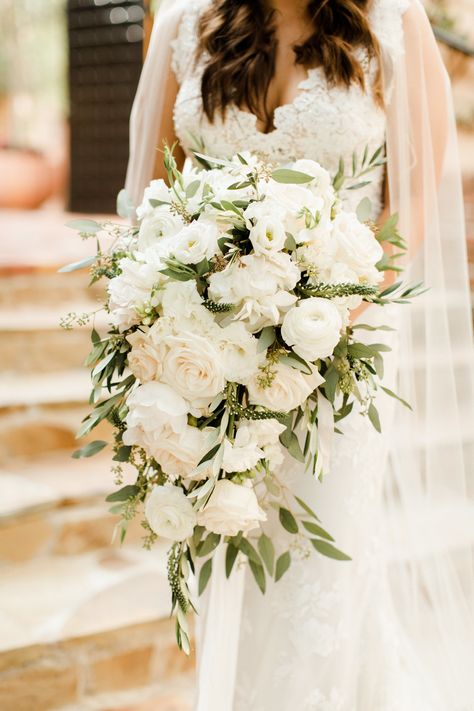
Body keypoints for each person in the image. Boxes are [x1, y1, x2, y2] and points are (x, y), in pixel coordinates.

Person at [126, 1, 474, 709]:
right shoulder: (185, 25)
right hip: (208, 351)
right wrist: (175, 319)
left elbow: (408, 217)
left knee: (322, 562)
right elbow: (155, 194)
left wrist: (323, 315)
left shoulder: (395, 29)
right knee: (235, 555)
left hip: (342, 346)